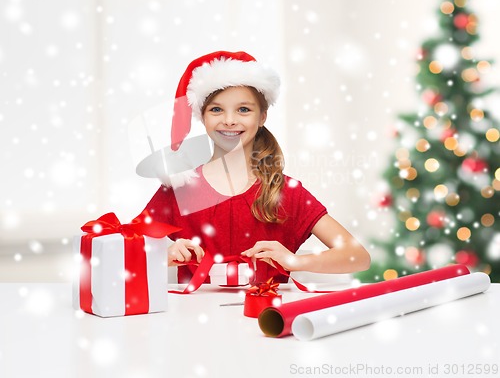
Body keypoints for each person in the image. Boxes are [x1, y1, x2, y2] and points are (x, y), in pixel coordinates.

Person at [143, 51, 370, 283]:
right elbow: (123, 255)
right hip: (194, 317)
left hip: (266, 317)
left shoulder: (285, 191)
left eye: (243, 109)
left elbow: (357, 256)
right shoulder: (180, 189)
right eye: (216, 109)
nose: (229, 120)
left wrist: (295, 261)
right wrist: (162, 256)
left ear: (262, 116)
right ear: (202, 116)